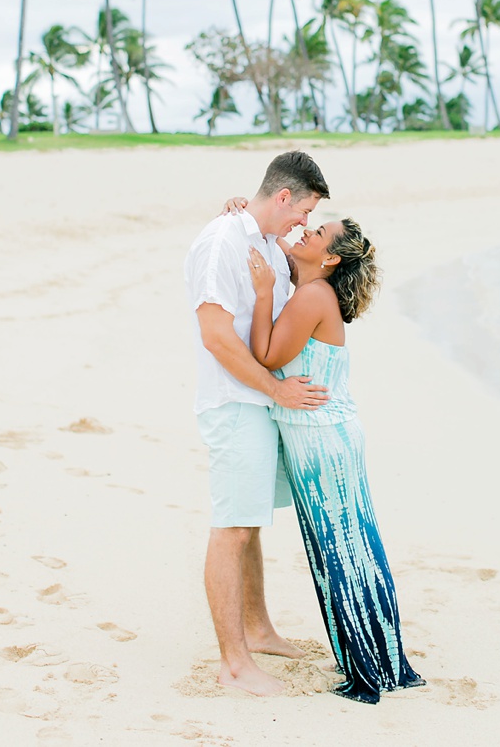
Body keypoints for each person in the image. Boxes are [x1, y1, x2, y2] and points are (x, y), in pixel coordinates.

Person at [246, 217, 423, 704]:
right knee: (350, 547)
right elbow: (271, 233)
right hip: (324, 436)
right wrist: (242, 208)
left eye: (317, 233)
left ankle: (369, 669)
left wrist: (263, 293)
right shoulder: (311, 284)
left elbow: (264, 355)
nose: (305, 234)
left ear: (329, 259)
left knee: (343, 551)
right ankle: (381, 660)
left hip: (323, 441)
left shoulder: (312, 296)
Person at [184, 151, 333, 697]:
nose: (305, 223)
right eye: (305, 210)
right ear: (285, 196)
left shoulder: (265, 239)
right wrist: (276, 390)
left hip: (260, 404)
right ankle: (234, 664)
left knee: (250, 521)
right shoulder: (223, 242)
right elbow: (217, 335)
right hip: (235, 402)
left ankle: (258, 629)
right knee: (233, 526)